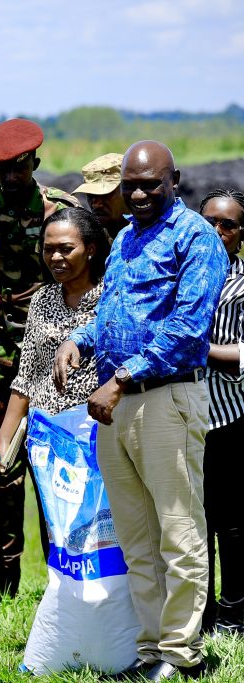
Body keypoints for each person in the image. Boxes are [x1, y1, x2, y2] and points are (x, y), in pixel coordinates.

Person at [55, 141, 226, 680]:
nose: (139, 193)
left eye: (151, 183)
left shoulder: (195, 237)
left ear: (174, 180)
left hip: (166, 398)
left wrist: (121, 378)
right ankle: (150, 649)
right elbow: (114, 313)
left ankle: (181, 653)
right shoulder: (127, 237)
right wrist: (78, 338)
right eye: (130, 184)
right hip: (117, 403)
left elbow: (187, 328)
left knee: (178, 530)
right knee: (136, 537)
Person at [0, 118, 79, 597]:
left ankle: (65, 581)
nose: (11, 176)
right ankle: (3, 584)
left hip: (58, 359)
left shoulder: (63, 211)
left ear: (35, 162)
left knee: (60, 474)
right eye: (2, 169)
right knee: (3, 472)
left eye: (19, 167)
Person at [0, 206, 109, 474]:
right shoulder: (42, 299)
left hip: (96, 437)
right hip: (48, 438)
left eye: (66, 249)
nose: (56, 257)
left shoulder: (111, 298)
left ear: (90, 249)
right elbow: (27, 376)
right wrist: (5, 440)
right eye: (49, 249)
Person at [198, 188, 244, 637]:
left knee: (231, 523)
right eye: (209, 220)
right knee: (194, 521)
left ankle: (232, 614)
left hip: (229, 418)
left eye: (227, 224)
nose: (217, 230)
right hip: (183, 417)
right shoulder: (183, 274)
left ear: (240, 234)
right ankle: (202, 613)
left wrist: (200, 350)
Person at [73, 153, 128, 241]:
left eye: (105, 195)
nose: (96, 205)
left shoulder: (152, 234)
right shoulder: (89, 238)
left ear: (127, 190)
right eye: (90, 195)